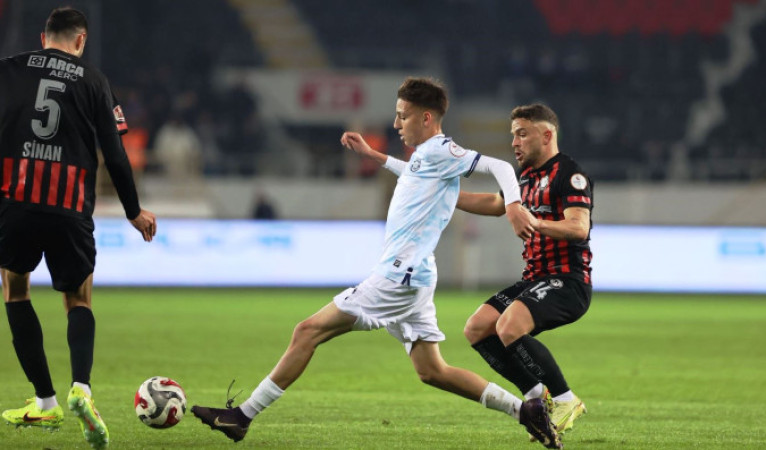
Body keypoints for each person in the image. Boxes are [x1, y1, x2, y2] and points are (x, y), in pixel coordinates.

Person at [192, 77, 563, 449]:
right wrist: (374, 156)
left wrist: (513, 206)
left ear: (427, 118)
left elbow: (501, 167)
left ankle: (242, 417)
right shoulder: (425, 156)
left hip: (399, 276)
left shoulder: (443, 151)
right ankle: (526, 411)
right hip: (416, 276)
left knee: (307, 331)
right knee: (432, 371)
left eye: (403, 116)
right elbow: (413, 173)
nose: (396, 124)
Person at [0, 7, 157, 449]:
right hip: (69, 206)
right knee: (78, 299)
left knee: (15, 290)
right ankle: (81, 389)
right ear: (81, 40)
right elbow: (115, 153)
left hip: (16, 202)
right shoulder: (94, 81)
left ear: (43, 37)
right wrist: (133, 211)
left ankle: (44, 402)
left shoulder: (8, 70)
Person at [457, 103, 592, 438]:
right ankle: (536, 396)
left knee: (509, 326)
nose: (514, 142)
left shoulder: (569, 174)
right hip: (535, 279)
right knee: (477, 328)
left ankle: (565, 399)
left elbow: (579, 228)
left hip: (568, 281)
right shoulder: (525, 177)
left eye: (522, 134)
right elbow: (495, 204)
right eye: (513, 135)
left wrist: (536, 222)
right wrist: (447, 197)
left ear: (546, 135)